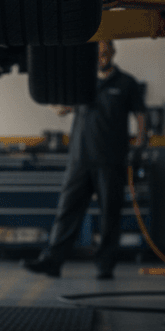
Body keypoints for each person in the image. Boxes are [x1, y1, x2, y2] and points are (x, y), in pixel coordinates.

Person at [24, 40, 146, 279]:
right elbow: (61, 108)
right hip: (80, 159)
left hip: (111, 160)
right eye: (98, 53)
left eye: (105, 52)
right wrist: (50, 93)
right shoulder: (82, 81)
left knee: (110, 213)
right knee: (67, 210)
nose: (101, 57)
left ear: (112, 52)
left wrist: (140, 143)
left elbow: (140, 115)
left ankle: (105, 265)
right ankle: (53, 261)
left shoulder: (126, 83)